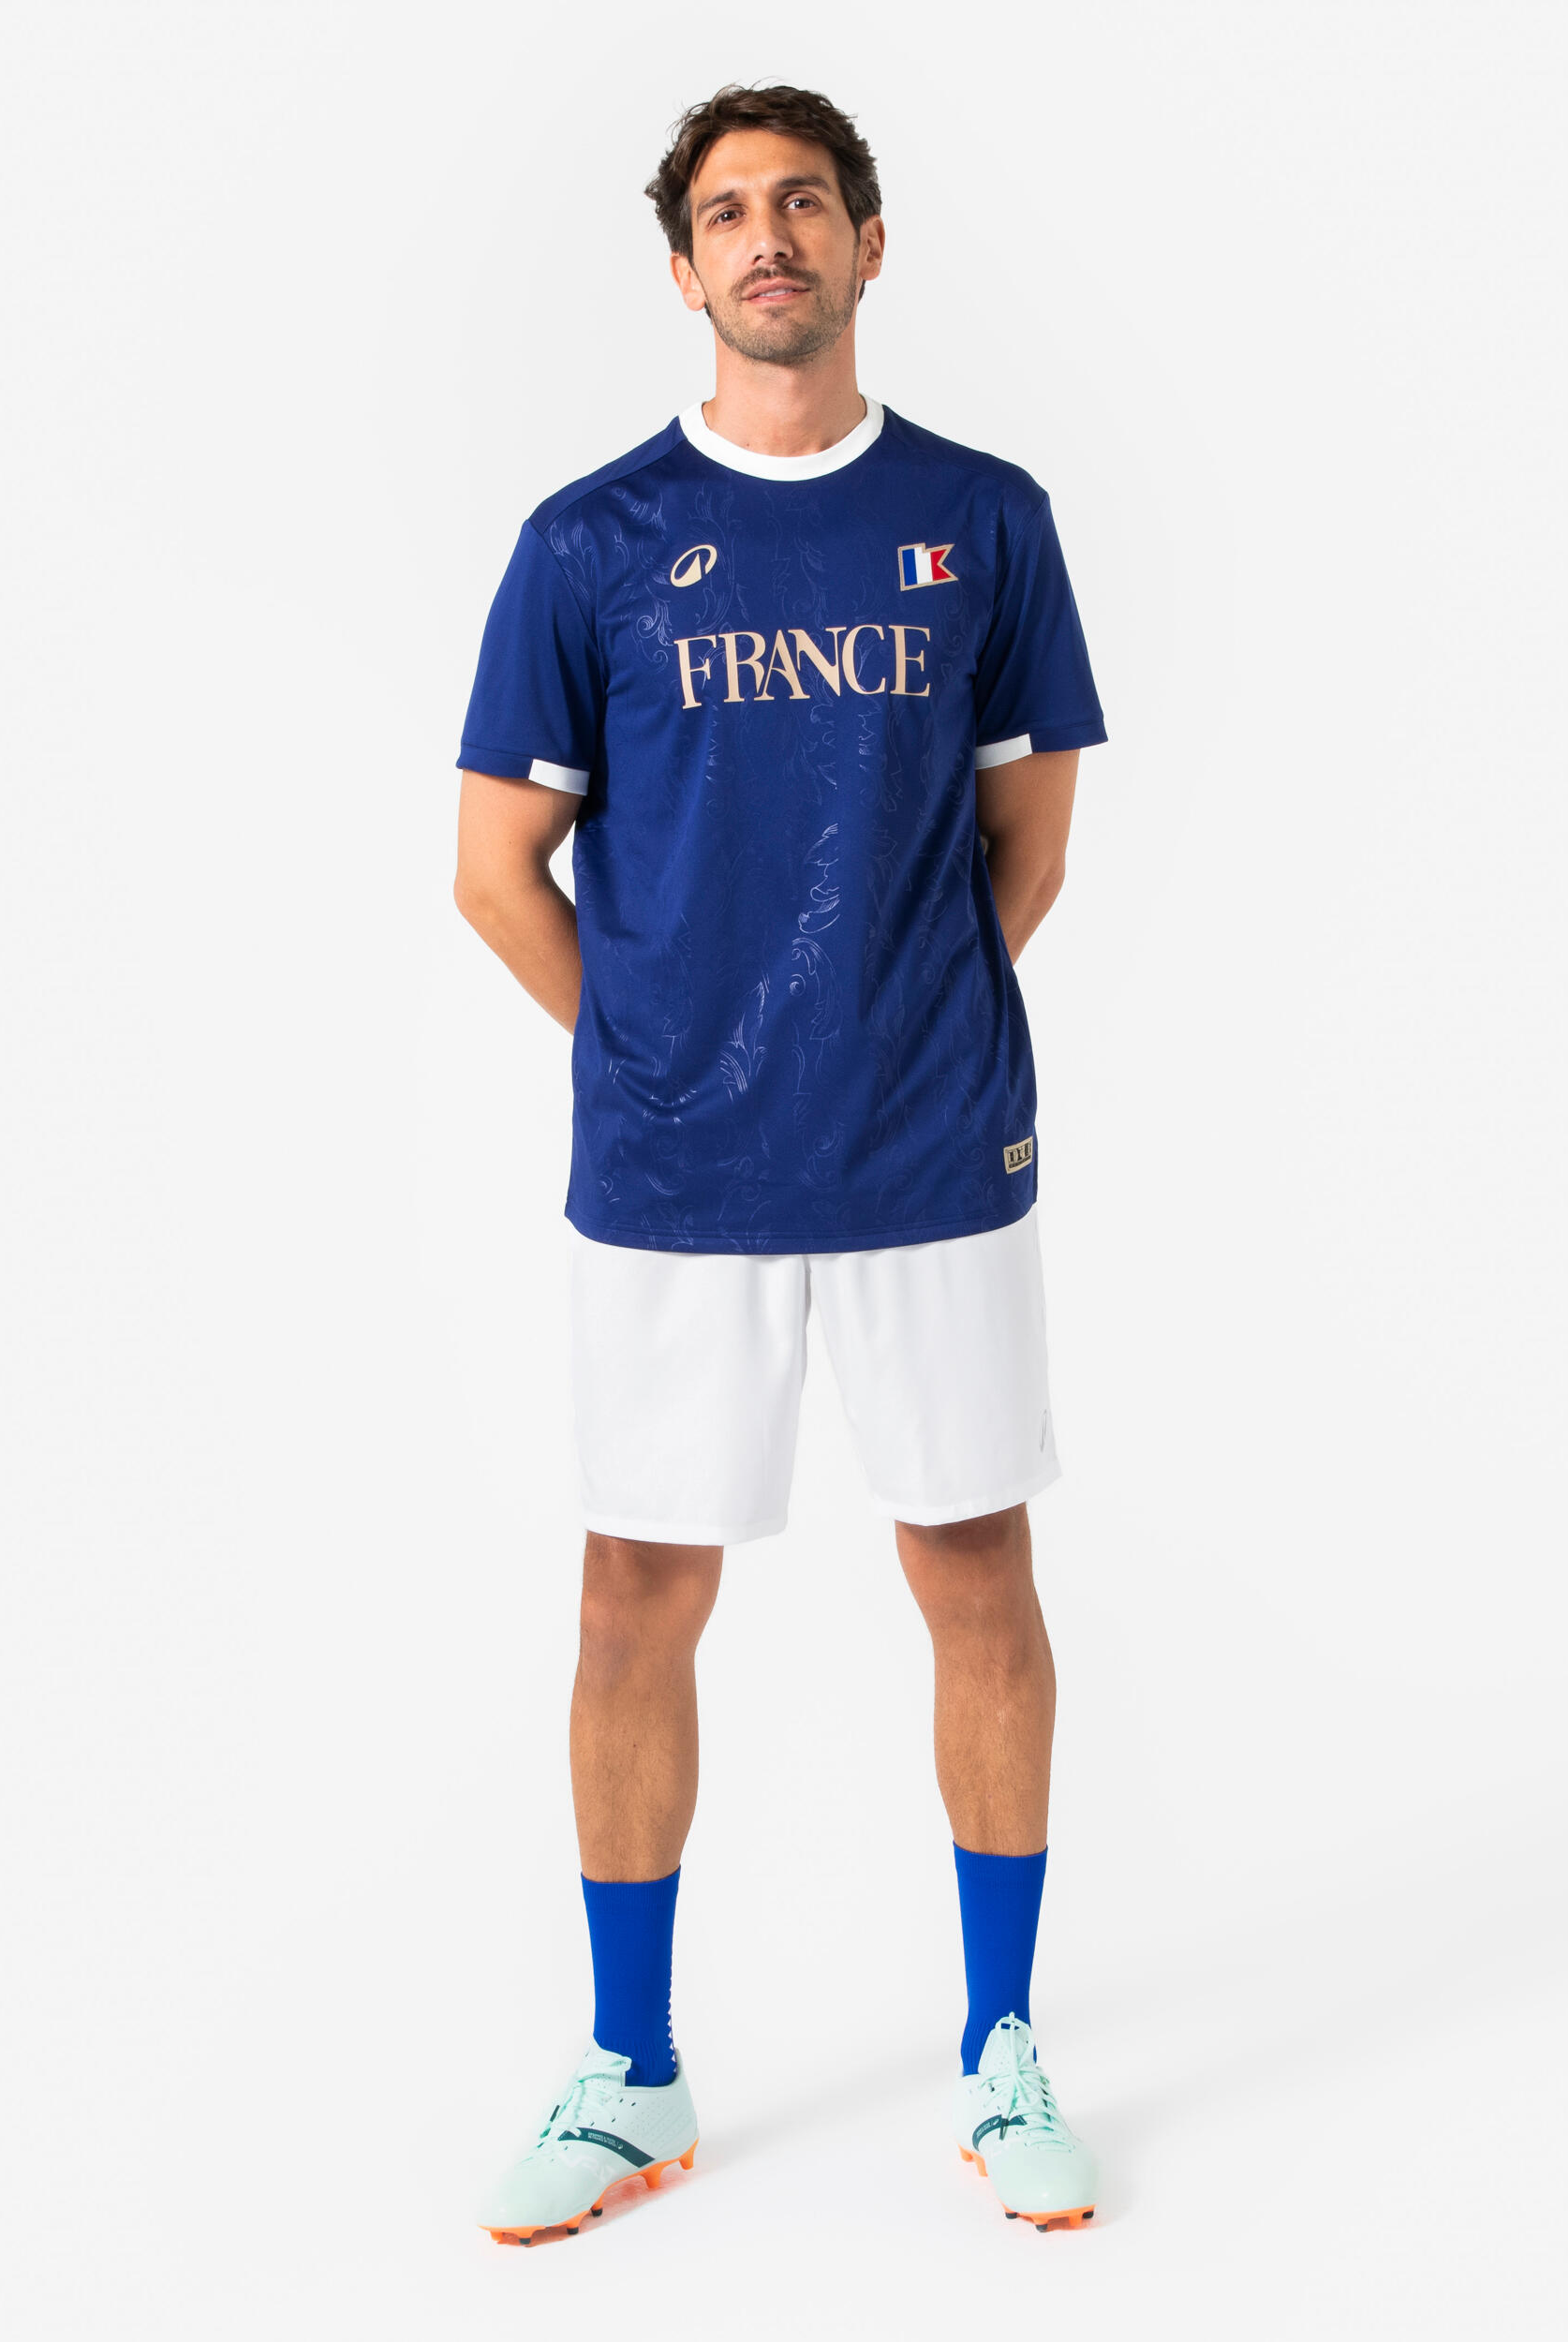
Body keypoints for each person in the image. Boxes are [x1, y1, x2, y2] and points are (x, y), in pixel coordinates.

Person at [451, 82, 1106, 2243]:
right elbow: (492, 868)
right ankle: (630, 2067)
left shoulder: (981, 518)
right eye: (727, 210)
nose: (767, 236)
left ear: (865, 241)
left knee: (974, 1568)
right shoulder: (592, 541)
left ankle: (999, 2046)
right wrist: (665, 1060)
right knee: (631, 1593)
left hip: (929, 1154)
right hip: (677, 1180)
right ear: (681, 268)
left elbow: (1026, 845)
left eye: (801, 200)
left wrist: (888, 1030)